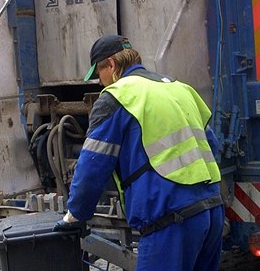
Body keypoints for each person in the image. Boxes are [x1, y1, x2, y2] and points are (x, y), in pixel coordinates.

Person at [54, 34, 224, 270]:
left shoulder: (117, 97)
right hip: (212, 211)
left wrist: (76, 215)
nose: (101, 83)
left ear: (111, 65)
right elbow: (211, 147)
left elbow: (92, 166)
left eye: (99, 75)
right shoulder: (179, 88)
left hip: (170, 220)